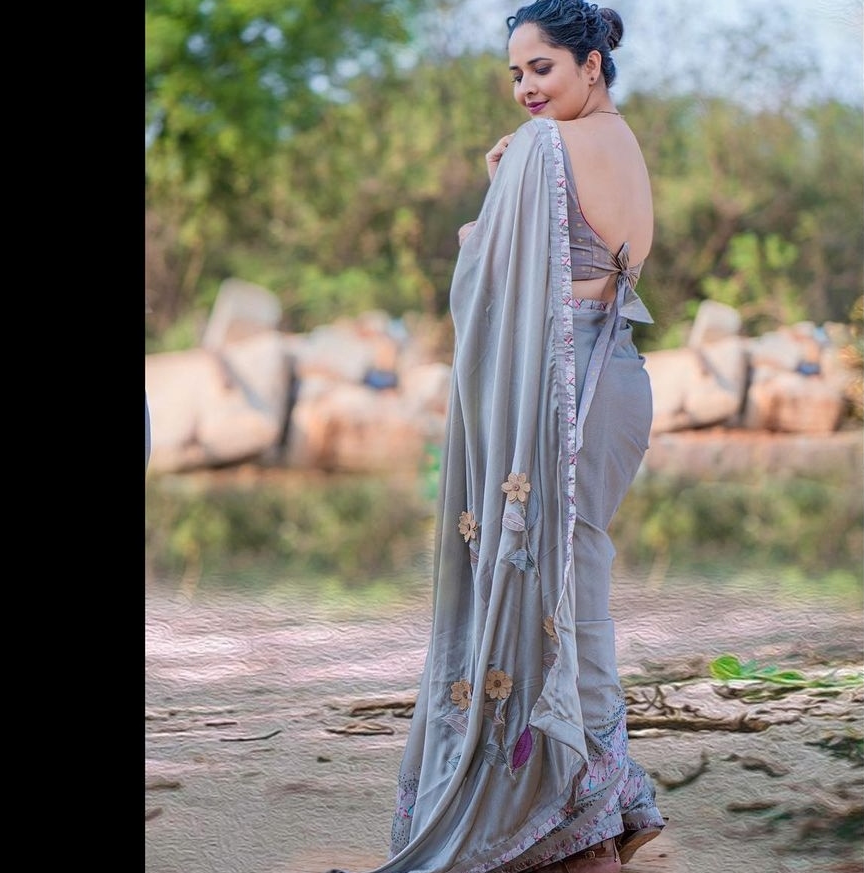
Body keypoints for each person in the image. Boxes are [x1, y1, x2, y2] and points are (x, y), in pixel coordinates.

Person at [330, 2, 665, 871]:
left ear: (591, 64)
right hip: (617, 374)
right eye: (516, 74)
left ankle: (587, 815)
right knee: (573, 581)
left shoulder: (546, 147)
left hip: (568, 386)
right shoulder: (619, 140)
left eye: (541, 68)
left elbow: (493, 272)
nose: (525, 88)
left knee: (559, 594)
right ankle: (604, 808)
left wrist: (488, 213)